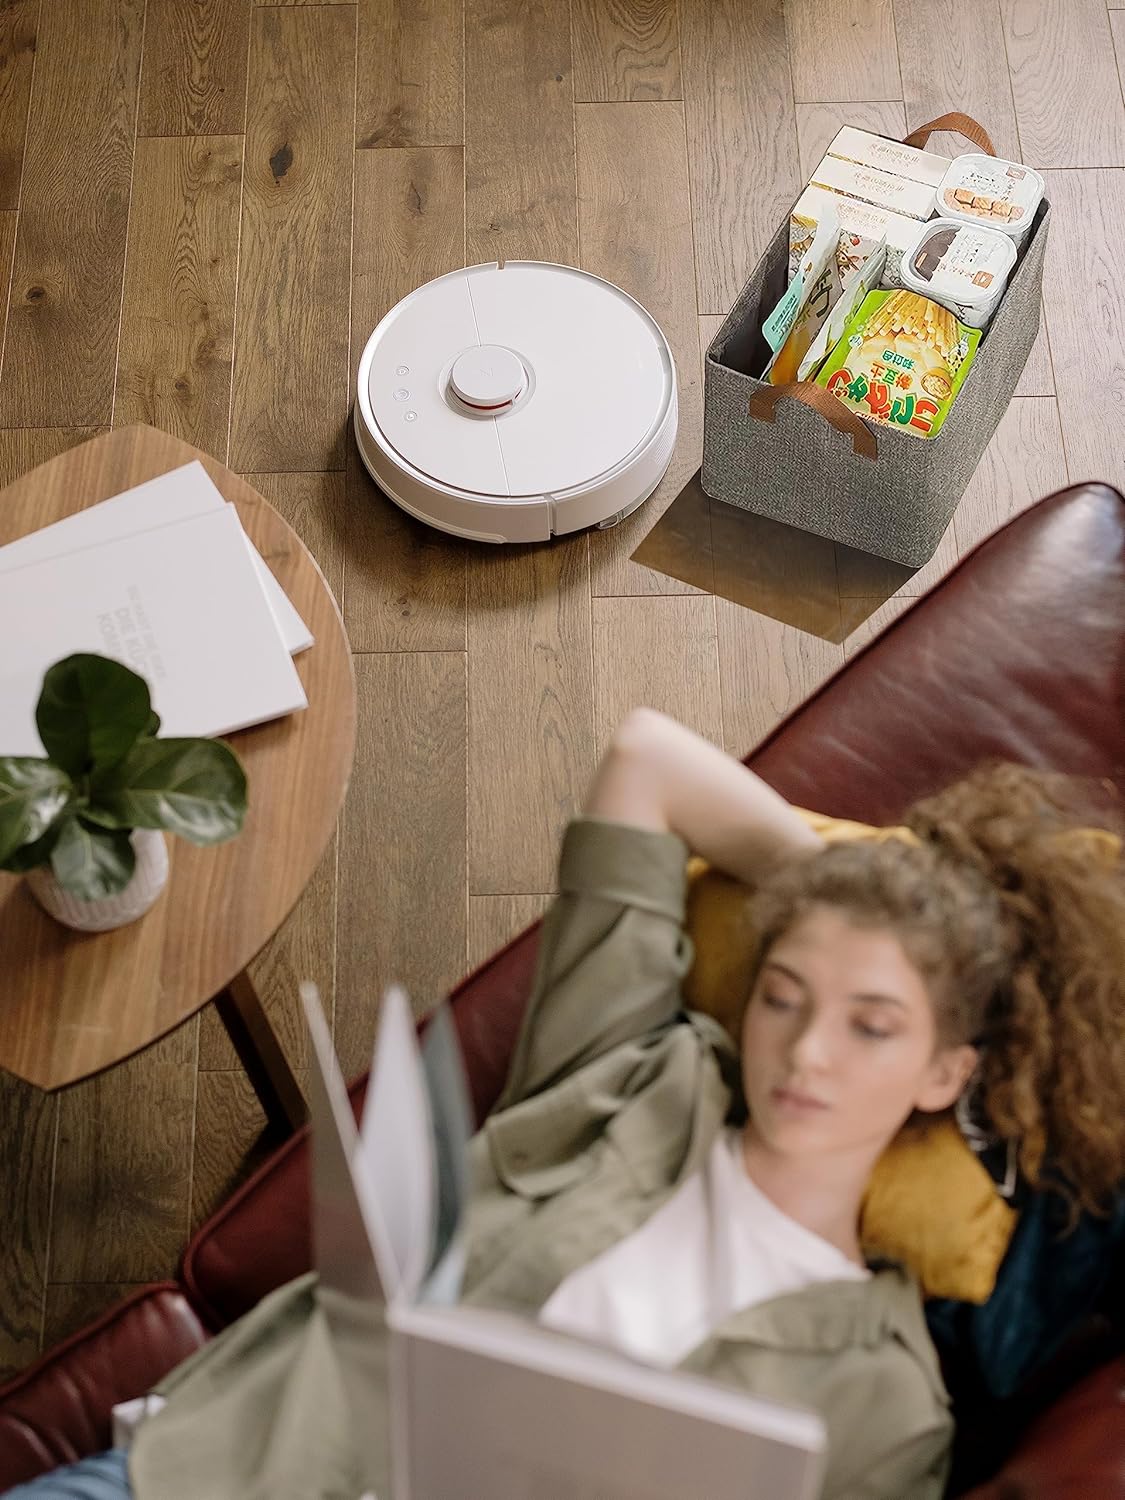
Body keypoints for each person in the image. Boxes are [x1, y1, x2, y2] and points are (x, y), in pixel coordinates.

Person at [9, 710, 1124, 1500]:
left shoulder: (888, 1401)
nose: (807, 1050)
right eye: (784, 996)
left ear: (945, 1075)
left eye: (871, 1025)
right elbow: (647, 760)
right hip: (212, 1475)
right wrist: (875, 903)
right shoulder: (638, 1069)